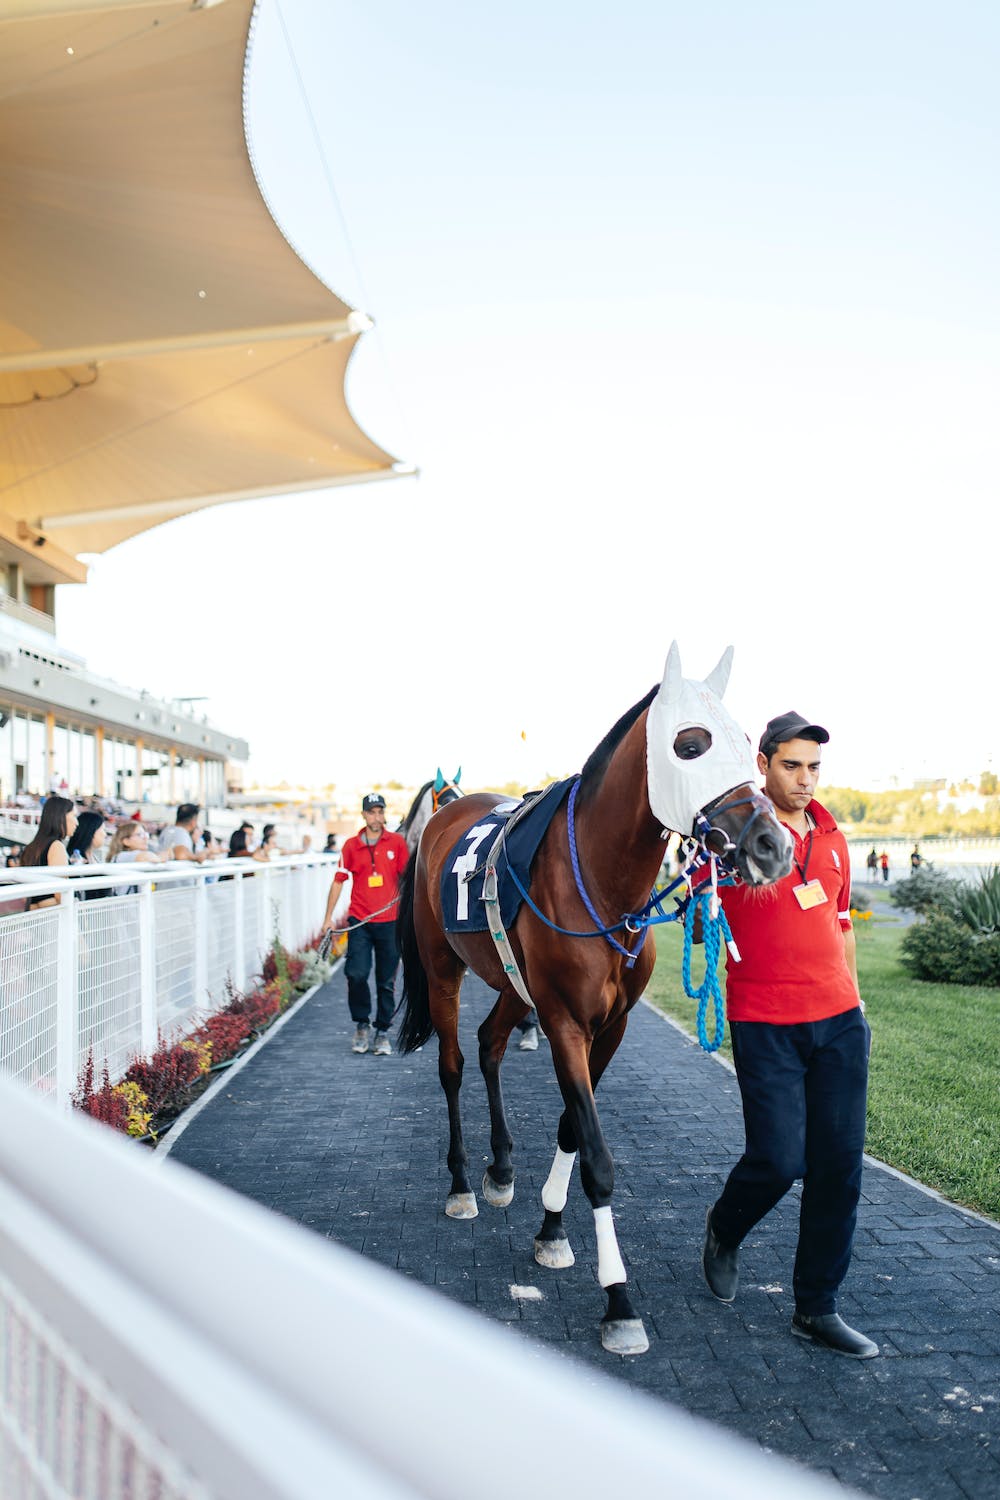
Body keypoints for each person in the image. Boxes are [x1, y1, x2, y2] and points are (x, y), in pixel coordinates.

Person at [700, 711, 877, 1359]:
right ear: (764, 765)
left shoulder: (832, 837)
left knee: (838, 1170)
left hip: (838, 1023)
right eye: (791, 765)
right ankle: (724, 1228)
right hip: (764, 1023)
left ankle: (816, 1309)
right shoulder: (731, 836)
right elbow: (698, 906)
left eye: (814, 767)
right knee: (778, 1159)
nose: (805, 780)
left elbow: (841, 924)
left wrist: (855, 1008)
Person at [323, 793, 409, 1056]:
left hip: (390, 922)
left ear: (384, 814)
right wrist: (327, 918)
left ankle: (382, 1031)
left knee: (386, 981)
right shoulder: (350, 846)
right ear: (363, 815)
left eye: (380, 811)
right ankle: (361, 1024)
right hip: (359, 921)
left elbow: (407, 881)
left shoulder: (397, 842)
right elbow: (339, 880)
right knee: (356, 974)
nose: (376, 817)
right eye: (371, 812)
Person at [20, 796, 78, 907]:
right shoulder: (56, 846)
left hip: (34, 916)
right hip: (52, 918)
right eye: (74, 816)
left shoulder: (31, 847)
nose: (77, 823)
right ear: (61, 817)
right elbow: (61, 894)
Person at [106, 821, 166, 895]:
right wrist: (165, 855)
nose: (145, 838)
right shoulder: (122, 856)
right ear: (126, 841)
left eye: (145, 834)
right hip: (126, 905)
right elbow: (152, 858)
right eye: (139, 835)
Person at [66, 810, 110, 899]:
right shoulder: (74, 859)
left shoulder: (94, 857)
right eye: (102, 830)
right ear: (91, 831)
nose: (105, 834)